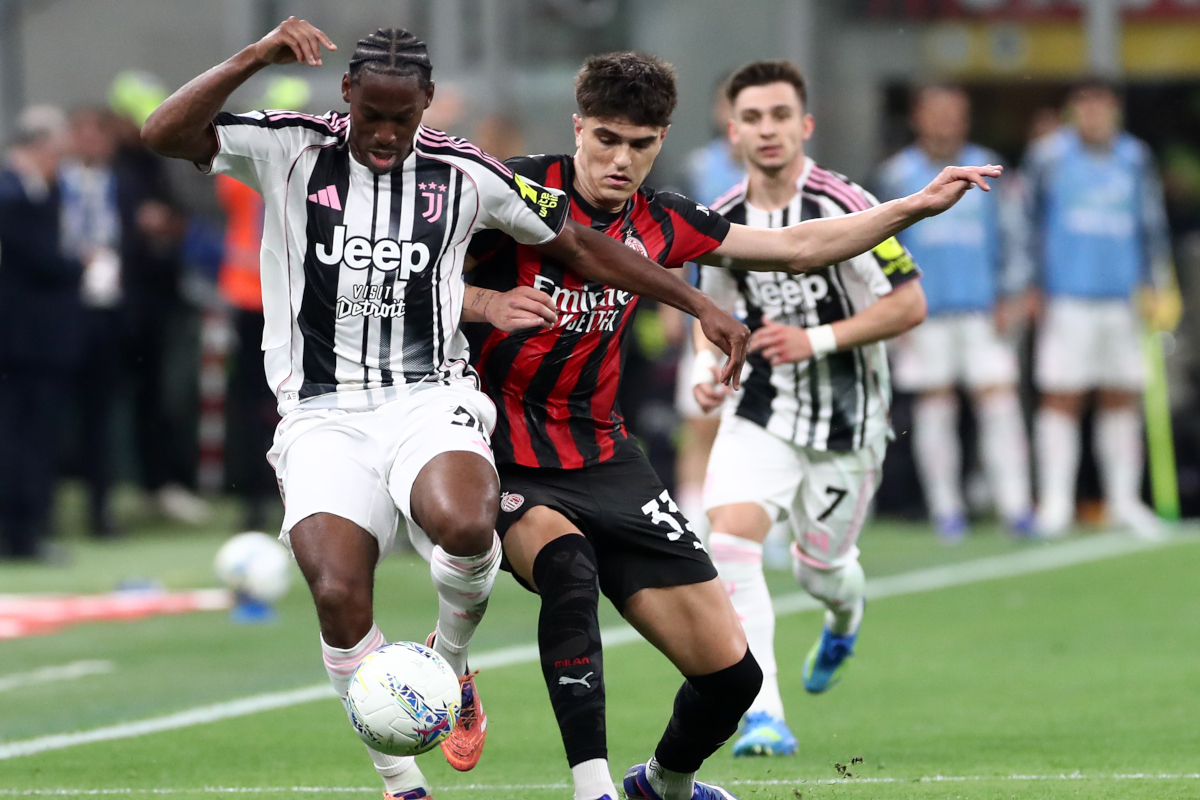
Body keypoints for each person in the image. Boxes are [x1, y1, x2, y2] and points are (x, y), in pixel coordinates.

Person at [141, 19, 751, 799]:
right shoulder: (288, 146)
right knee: (335, 588)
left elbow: (585, 249)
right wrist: (255, 55)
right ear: (347, 95)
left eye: (405, 116)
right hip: (322, 412)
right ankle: (402, 782)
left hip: (430, 396)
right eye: (373, 115)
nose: (387, 133)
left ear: (429, 103)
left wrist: (694, 303)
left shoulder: (468, 174)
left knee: (465, 522)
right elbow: (163, 132)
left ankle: (450, 666)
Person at [463, 53, 998, 799]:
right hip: (497, 444)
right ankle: (591, 788)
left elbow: (800, 245)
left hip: (603, 450)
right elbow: (409, 270)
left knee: (733, 675)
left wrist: (915, 204)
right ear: (577, 127)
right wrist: (484, 306)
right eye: (606, 139)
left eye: (641, 144)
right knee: (568, 569)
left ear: (663, 140)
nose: (621, 160)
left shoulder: (666, 218)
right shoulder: (507, 189)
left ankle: (665, 785)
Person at [694, 60, 929, 757]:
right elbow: (716, 315)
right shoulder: (725, 218)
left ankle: (844, 619)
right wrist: (712, 372)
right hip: (764, 406)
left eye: (780, 116)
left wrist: (816, 337)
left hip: (848, 419)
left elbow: (910, 302)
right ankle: (764, 713)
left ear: (805, 125)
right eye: (754, 119)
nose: (768, 130)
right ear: (733, 130)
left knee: (818, 571)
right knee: (730, 542)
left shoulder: (845, 204)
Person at [877, 85, 1034, 542]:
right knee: (934, 405)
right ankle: (947, 509)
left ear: (966, 119)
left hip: (982, 309)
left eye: (954, 114)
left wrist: (1011, 295)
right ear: (917, 118)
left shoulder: (992, 168)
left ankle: (1016, 505)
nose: (945, 122)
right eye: (936, 113)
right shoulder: (895, 174)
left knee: (999, 402)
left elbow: (1014, 238)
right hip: (923, 311)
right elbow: (882, 241)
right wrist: (893, 302)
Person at [1023, 79, 1176, 539]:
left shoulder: (1134, 158)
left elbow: (1151, 225)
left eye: (1103, 107)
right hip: (1067, 296)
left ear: (1115, 111)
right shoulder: (1048, 157)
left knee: (1121, 394)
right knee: (1062, 396)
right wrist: (1029, 284)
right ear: (1074, 111)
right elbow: (1027, 222)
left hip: (1121, 296)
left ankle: (1123, 501)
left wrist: (1158, 284)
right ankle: (1054, 503)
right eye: (1085, 106)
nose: (1094, 115)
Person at [0, 106, 81, 560]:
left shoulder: (39, 192)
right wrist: (80, 265)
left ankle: (27, 527)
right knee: (21, 437)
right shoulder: (12, 195)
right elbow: (39, 260)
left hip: (41, 343)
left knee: (34, 437)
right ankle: (20, 532)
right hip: (21, 343)